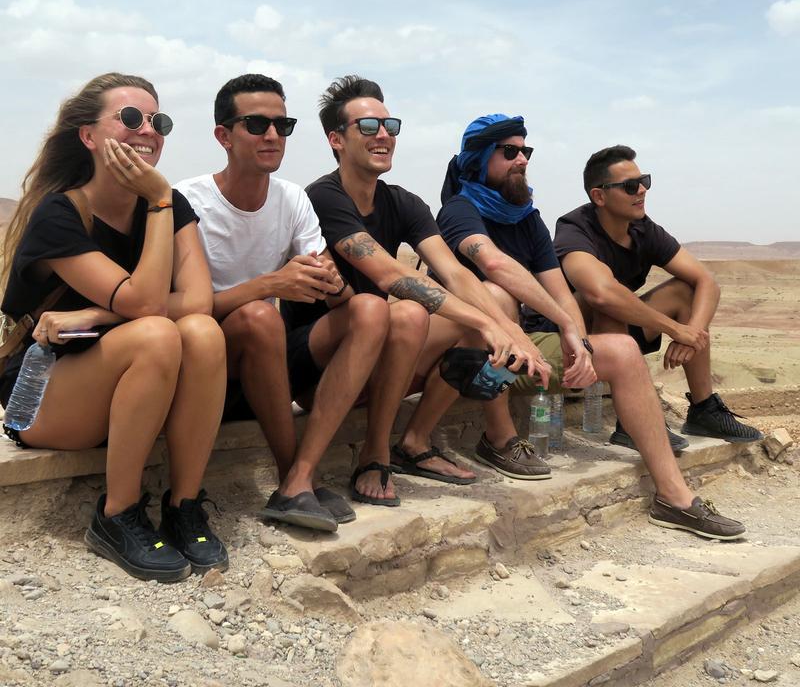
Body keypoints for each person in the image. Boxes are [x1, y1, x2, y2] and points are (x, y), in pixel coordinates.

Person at [396, 113, 745, 540]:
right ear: (480, 159)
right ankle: (499, 438)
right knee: (497, 297)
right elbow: (493, 263)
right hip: (461, 353)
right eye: (509, 152)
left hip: (515, 350)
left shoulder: (527, 217)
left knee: (622, 349)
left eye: (525, 150)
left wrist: (578, 340)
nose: (521, 159)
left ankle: (675, 498)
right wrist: (548, 327)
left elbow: (560, 290)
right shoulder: (459, 211)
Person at [0, 73, 228, 581]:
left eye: (157, 121)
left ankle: (183, 505)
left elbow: (199, 302)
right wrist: (161, 200)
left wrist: (98, 313)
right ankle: (116, 515)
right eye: (129, 118)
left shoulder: (166, 207)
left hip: (123, 384)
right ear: (88, 136)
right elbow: (147, 305)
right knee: (158, 333)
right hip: (40, 396)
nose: (146, 130)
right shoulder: (60, 213)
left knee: (203, 334)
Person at [283, 76, 548, 508]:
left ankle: (413, 441)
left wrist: (507, 328)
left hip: (377, 354)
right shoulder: (323, 197)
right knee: (406, 312)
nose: (383, 135)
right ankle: (375, 452)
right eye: (368, 127)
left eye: (390, 126)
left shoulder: (404, 203)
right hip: (318, 366)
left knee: (494, 299)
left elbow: (455, 274)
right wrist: (487, 324)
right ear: (336, 139)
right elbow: (391, 276)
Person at [177, 74, 389, 533]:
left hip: (265, 367)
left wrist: (328, 280)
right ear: (223, 136)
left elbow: (332, 290)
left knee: (372, 308)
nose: (272, 135)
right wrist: (270, 284)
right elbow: (176, 310)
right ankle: (292, 472)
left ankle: (298, 480)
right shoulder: (187, 200)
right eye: (256, 124)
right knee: (258, 316)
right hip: (202, 364)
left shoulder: (291, 198)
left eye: (282, 125)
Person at [554, 145, 761, 445]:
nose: (641, 190)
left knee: (685, 291)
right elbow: (600, 293)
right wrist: (675, 329)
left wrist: (692, 334)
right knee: (606, 298)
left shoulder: (643, 229)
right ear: (599, 196)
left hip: (619, 334)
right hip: (570, 337)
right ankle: (631, 423)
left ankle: (704, 410)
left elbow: (706, 281)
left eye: (644, 181)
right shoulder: (574, 230)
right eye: (629, 186)